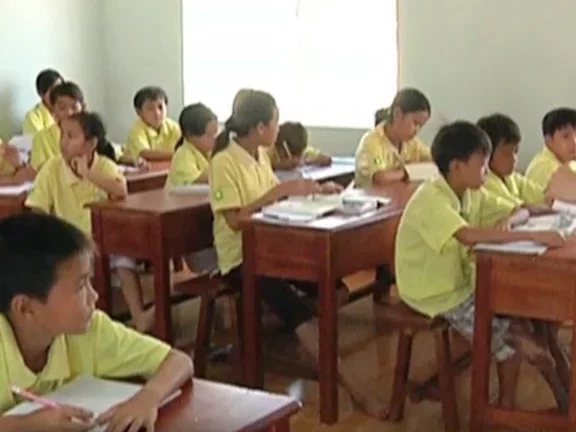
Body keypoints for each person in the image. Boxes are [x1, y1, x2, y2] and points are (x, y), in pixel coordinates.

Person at [210, 88, 391, 417]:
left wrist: (316, 190)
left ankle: (304, 342)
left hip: (276, 248)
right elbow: (235, 220)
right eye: (275, 122)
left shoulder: (259, 155)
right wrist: (281, 191)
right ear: (260, 127)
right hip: (243, 258)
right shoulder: (224, 161)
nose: (278, 129)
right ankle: (351, 386)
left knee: (334, 287)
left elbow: (278, 199)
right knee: (299, 312)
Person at [394, 120, 568, 411]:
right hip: (433, 292)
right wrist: (531, 235)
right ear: (457, 166)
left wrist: (518, 218)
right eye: (482, 164)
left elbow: (517, 208)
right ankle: (513, 406)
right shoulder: (431, 198)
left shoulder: (472, 190)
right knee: (516, 343)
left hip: (461, 284)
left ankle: (512, 404)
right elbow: (466, 235)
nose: (487, 171)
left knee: (519, 321)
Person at [0, 213, 193, 431]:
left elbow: (178, 361)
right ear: (25, 308)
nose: (94, 296)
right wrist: (27, 425)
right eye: (81, 286)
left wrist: (148, 397)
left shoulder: (89, 331)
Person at [26, 112, 155, 333]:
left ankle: (139, 316)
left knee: (123, 260)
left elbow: (120, 190)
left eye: (71, 136)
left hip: (105, 241)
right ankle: (82, 322)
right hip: (69, 243)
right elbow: (36, 208)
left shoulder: (104, 166)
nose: (63, 142)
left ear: (90, 144)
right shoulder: (52, 168)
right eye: (62, 135)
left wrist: (89, 173)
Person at [355, 88, 431, 188]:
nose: (417, 130)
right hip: (372, 197)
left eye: (421, 126)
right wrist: (408, 172)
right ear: (397, 114)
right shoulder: (371, 141)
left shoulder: (412, 143)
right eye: (415, 123)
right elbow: (380, 178)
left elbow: (435, 159)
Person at [477, 114, 546, 210]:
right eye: (506, 153)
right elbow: (516, 208)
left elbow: (543, 195)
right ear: (487, 154)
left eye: (516, 152)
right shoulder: (483, 183)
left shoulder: (512, 177)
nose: (514, 159)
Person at [30, 82, 84, 172]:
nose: (69, 113)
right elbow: (40, 171)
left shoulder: (90, 134)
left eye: (74, 107)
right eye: (62, 108)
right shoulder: (41, 138)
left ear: (83, 108)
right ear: (53, 111)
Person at [526, 108, 576, 202]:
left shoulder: (567, 161)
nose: (574, 142)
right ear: (549, 140)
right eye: (566, 136)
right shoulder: (546, 166)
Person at [165, 103, 217, 188]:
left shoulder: (208, 151)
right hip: (181, 196)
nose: (215, 139)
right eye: (209, 135)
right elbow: (195, 181)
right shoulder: (183, 154)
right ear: (190, 135)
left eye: (216, 133)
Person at [125, 86, 181, 162]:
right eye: (150, 109)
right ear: (139, 112)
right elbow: (145, 154)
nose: (157, 113)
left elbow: (183, 146)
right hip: (139, 167)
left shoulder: (173, 126)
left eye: (160, 107)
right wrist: (176, 153)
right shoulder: (137, 129)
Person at [22, 69, 63, 134]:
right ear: (41, 94)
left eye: (61, 89)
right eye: (53, 91)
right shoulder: (33, 117)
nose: (58, 94)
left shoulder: (69, 112)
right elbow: (38, 139)